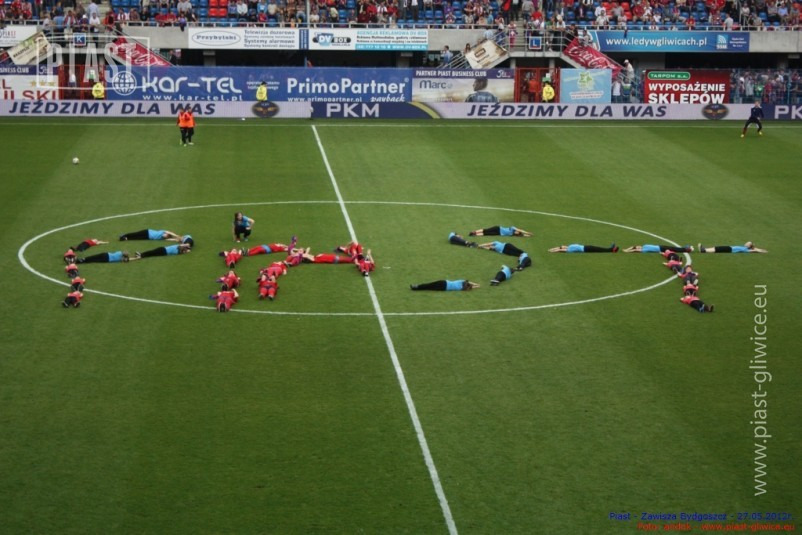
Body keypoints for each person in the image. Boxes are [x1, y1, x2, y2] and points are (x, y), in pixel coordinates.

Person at [697, 241, 767, 253]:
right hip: (729, 248)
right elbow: (754, 248)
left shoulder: (746, 250)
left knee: (717, 249)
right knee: (717, 248)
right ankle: (704, 249)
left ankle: (704, 250)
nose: (746, 243)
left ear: (749, 246)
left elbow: (755, 250)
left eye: (748, 243)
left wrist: (761, 251)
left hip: (730, 249)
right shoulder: (744, 247)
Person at [410, 280, 480, 291]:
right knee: (429, 288)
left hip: (444, 282)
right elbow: (471, 287)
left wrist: (476, 284)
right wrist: (477, 286)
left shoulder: (461, 281)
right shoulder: (462, 288)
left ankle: (416, 286)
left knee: (429, 285)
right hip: (444, 288)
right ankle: (416, 288)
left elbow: (469, 282)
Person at [549, 243, 618, 253]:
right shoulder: (569, 250)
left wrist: (552, 249)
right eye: (563, 247)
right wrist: (552, 251)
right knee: (599, 249)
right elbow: (559, 250)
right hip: (586, 249)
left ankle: (611, 249)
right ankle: (611, 249)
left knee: (598, 248)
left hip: (586, 247)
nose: (563, 246)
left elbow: (559, 247)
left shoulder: (569, 246)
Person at [623, 244, 693, 253]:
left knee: (674, 249)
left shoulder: (644, 247)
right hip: (661, 248)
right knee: (674, 249)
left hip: (661, 248)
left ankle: (686, 249)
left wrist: (627, 250)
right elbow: (635, 248)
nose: (638, 247)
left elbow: (635, 248)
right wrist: (627, 250)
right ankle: (686, 249)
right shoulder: (645, 248)